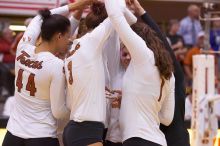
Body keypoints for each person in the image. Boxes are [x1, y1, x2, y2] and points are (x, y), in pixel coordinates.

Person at [2, 1, 93, 146]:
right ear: (58, 36)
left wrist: (75, 7)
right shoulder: (55, 65)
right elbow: (58, 112)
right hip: (40, 136)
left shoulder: (23, 48)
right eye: (68, 36)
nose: (69, 40)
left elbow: (39, 18)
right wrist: (80, 108)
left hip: (13, 135)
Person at [63, 2, 136, 146]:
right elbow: (124, 14)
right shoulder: (93, 41)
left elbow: (131, 20)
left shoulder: (74, 48)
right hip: (90, 126)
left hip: (78, 122)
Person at [105, 0, 175, 146]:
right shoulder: (168, 72)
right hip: (158, 141)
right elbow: (167, 118)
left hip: (138, 140)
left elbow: (114, 15)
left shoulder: (143, 55)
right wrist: (134, 97)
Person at [125, 0, 190, 145]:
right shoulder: (146, 75)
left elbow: (162, 41)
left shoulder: (172, 72)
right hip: (158, 139)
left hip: (173, 140)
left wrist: (142, 12)